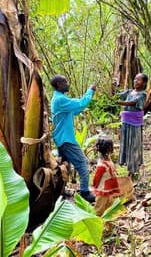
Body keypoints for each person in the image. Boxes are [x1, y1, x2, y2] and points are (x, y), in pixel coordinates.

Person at [50, 74, 97, 203]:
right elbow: (81, 103)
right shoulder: (60, 99)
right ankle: (85, 192)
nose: (68, 84)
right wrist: (90, 91)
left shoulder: (59, 98)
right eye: (65, 82)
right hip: (67, 139)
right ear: (59, 85)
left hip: (61, 138)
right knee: (82, 163)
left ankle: (61, 191)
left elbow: (75, 109)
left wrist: (81, 106)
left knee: (65, 166)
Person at [116, 73, 148, 180]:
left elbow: (133, 103)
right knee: (126, 144)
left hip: (134, 123)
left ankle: (133, 170)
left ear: (144, 83)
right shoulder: (129, 91)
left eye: (139, 80)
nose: (135, 81)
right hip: (126, 122)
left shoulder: (143, 94)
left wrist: (120, 103)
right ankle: (128, 166)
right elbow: (119, 94)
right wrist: (115, 88)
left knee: (133, 145)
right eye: (135, 79)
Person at [91, 136, 120, 216]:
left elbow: (96, 178)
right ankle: (107, 226)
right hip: (108, 189)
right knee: (108, 209)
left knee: (99, 209)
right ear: (109, 149)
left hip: (103, 190)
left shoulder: (102, 164)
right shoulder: (107, 161)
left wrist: (94, 187)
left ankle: (100, 225)